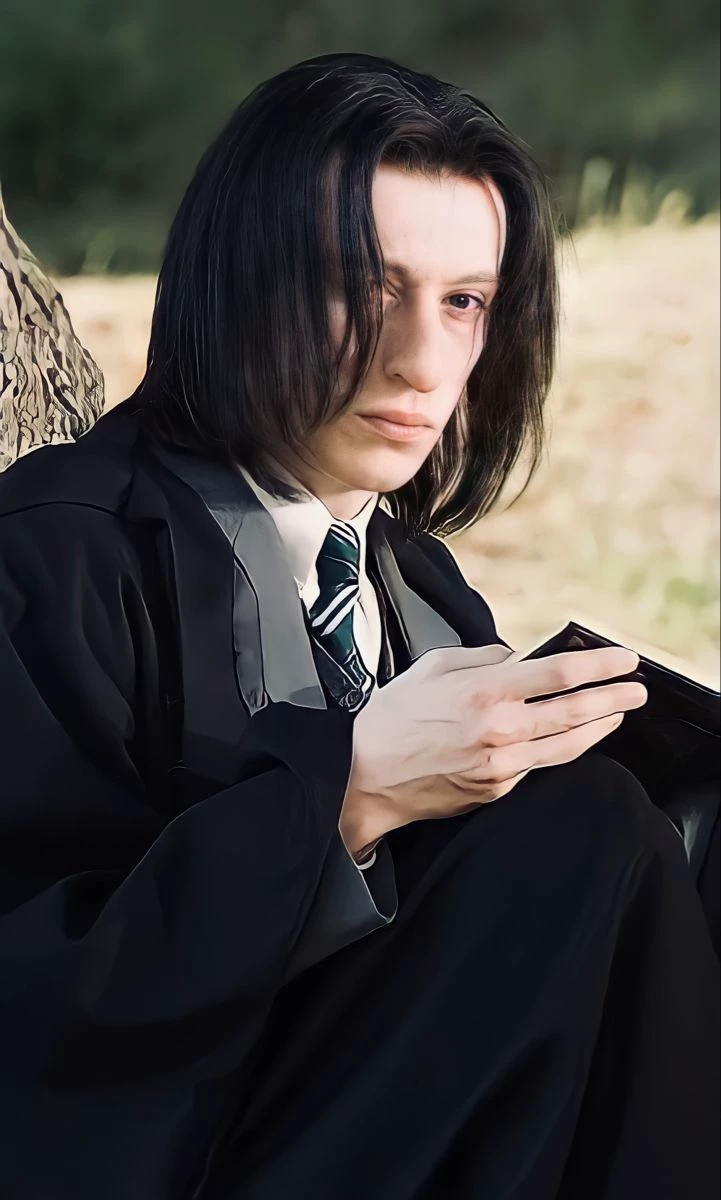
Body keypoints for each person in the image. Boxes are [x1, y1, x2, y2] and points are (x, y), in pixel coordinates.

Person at [0, 51, 717, 1200]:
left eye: (464, 303)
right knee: (578, 831)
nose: (422, 361)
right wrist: (345, 794)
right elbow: (32, 995)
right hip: (179, 1156)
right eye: (366, 290)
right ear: (242, 280)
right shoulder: (55, 556)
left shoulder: (420, 590)